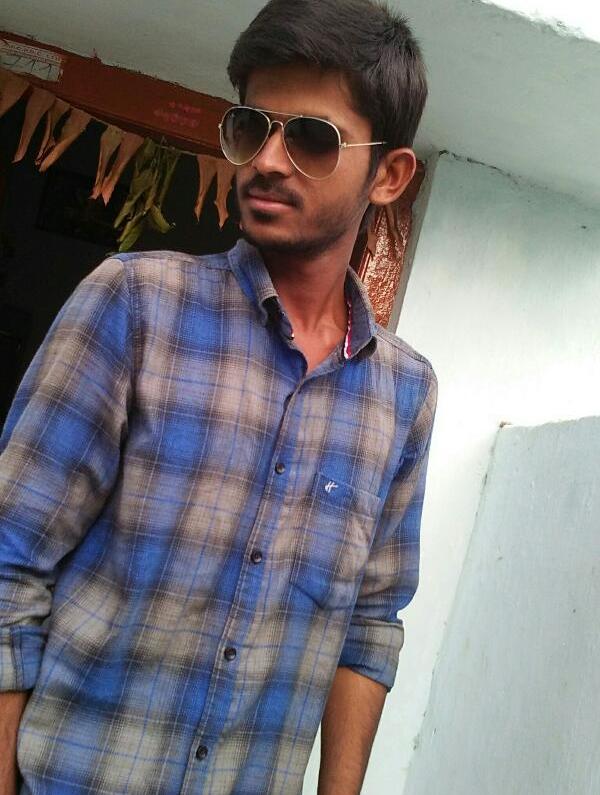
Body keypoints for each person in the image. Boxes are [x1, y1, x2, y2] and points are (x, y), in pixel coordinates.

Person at [0, 1, 437, 793]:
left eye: (311, 138)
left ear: (390, 175)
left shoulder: (404, 392)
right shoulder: (136, 305)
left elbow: (370, 626)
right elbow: (8, 566)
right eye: (250, 127)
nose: (266, 160)